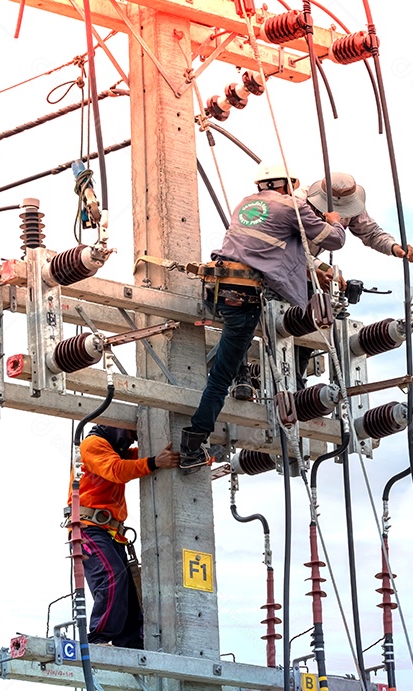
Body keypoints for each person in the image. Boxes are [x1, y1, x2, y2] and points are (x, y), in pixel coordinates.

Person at [179, 161, 347, 471]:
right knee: (220, 380)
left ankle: (245, 379)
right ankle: (191, 444)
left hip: (217, 289)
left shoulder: (245, 204)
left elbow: (271, 247)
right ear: (285, 184)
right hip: (244, 297)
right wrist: (335, 221)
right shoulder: (293, 207)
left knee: (231, 352)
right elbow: (333, 240)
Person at [70, 424, 179, 647]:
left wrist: (191, 453)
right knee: (112, 575)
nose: (131, 441)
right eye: (130, 435)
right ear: (116, 429)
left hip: (109, 532)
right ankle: (98, 637)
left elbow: (141, 458)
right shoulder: (93, 445)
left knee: (127, 590)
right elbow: (117, 470)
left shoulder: (116, 450)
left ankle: (130, 644)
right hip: (88, 529)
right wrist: (154, 462)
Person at [302, 172, 413, 286]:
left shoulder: (353, 205)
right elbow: (290, 250)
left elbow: (372, 233)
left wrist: (394, 247)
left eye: (345, 209)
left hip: (306, 264)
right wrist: (318, 269)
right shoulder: (298, 206)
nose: (341, 215)